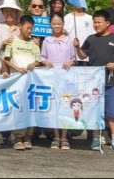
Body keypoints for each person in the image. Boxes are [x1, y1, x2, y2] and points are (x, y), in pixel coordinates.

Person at [73, 10, 114, 153]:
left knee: (113, 112)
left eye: (99, 22)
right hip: (94, 84)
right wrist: (77, 47)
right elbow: (82, 55)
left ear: (107, 23)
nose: (96, 25)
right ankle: (96, 138)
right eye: (94, 22)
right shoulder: (91, 39)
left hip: (110, 81)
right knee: (95, 111)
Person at [3, 15, 42, 150]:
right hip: (17, 81)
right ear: (20, 26)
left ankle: (27, 136)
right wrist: (17, 69)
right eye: (27, 28)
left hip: (31, 82)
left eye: (31, 28)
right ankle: (17, 137)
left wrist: (34, 64)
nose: (29, 31)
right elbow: (6, 59)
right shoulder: (12, 42)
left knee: (30, 108)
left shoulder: (34, 44)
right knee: (18, 108)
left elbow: (38, 61)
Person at [40, 14, 75, 150]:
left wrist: (70, 62)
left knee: (65, 106)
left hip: (66, 77)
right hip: (51, 77)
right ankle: (56, 137)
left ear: (63, 24)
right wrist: (45, 61)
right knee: (54, 106)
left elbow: (74, 58)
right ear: (50, 25)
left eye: (59, 23)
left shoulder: (69, 40)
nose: (56, 26)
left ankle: (64, 137)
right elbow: (42, 57)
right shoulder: (47, 41)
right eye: (54, 24)